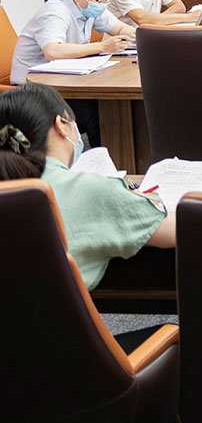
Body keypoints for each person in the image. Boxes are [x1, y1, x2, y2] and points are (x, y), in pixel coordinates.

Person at [0, 83, 174, 291]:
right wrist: (149, 200)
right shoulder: (87, 190)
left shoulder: (10, 186)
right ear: (61, 125)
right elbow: (177, 229)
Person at [10, 0, 136, 147]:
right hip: (33, 88)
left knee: (116, 105)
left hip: (65, 80)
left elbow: (119, 28)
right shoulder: (56, 11)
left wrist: (141, 36)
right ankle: (104, 160)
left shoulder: (90, 6)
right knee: (101, 112)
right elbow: (52, 51)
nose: (103, 4)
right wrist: (102, 46)